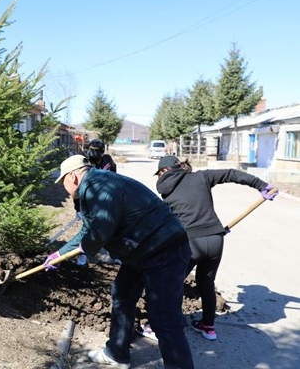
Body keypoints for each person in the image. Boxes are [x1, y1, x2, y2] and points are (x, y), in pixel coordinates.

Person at [44, 155, 195, 369]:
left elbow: (101, 229)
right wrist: (60, 253)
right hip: (142, 250)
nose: (64, 188)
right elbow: (89, 228)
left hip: (164, 248)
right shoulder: (96, 185)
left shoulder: (98, 186)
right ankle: (117, 353)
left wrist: (85, 248)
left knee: (164, 317)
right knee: (122, 294)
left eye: (63, 182)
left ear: (73, 176)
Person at [152, 155, 278, 341]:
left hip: (191, 243)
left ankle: (166, 325)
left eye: (159, 173)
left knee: (172, 284)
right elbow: (231, 173)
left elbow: (170, 224)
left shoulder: (166, 193)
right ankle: (208, 327)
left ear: (163, 171)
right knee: (206, 283)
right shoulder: (202, 176)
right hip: (215, 240)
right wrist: (261, 185)